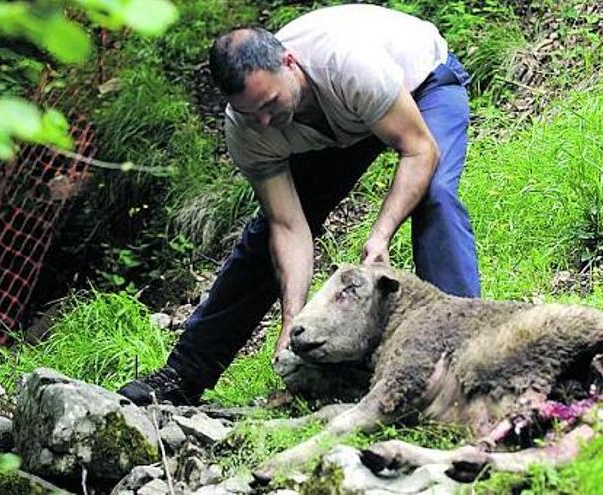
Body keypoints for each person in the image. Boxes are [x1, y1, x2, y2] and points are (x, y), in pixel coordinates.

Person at [118, 4, 481, 406]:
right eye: (251, 113)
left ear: (289, 63)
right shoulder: (249, 129)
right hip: (340, 126)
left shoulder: (350, 63)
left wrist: (380, 235)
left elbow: (418, 150)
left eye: (270, 103)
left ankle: (465, 359)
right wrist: (294, 323)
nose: (266, 122)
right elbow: (290, 226)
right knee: (263, 238)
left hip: (422, 84)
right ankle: (183, 375)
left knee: (435, 199)